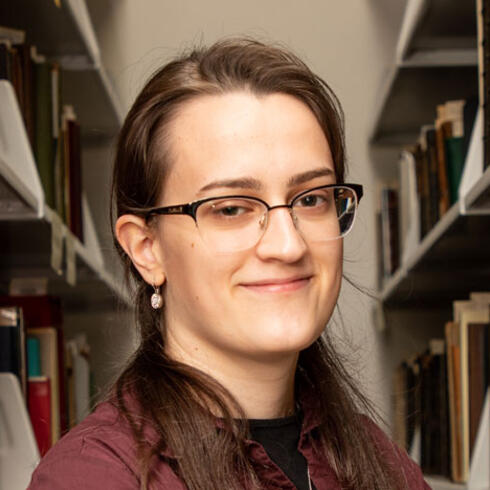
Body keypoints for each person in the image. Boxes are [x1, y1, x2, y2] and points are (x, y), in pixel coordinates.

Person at [28, 38, 430, 490]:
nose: (288, 245)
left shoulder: (381, 460)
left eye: (311, 199)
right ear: (146, 249)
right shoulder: (92, 477)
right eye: (231, 208)